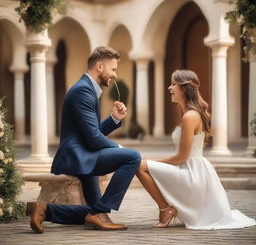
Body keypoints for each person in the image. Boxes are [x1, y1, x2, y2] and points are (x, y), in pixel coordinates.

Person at [26, 46, 141, 233]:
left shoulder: (86, 89)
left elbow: (91, 133)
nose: (115, 75)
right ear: (99, 66)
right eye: (113, 69)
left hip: (83, 153)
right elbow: (94, 139)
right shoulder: (83, 91)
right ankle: (98, 213)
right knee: (132, 157)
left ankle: (44, 210)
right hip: (79, 156)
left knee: (95, 211)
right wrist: (119, 148)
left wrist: (114, 120)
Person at [136, 69, 256, 230]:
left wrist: (152, 162)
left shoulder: (190, 116)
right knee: (141, 165)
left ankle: (166, 209)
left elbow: (182, 157)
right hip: (190, 170)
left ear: (185, 89)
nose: (169, 88)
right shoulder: (188, 114)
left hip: (192, 174)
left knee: (139, 165)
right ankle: (167, 208)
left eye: (173, 84)